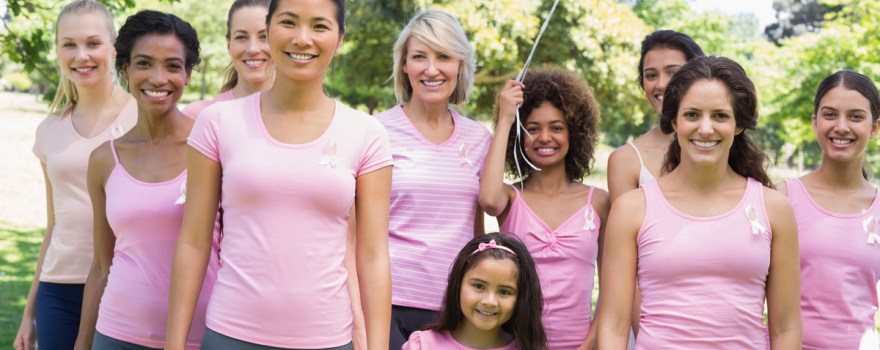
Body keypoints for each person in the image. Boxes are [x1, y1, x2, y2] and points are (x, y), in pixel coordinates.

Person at [166, 0, 393, 349]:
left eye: (319, 26)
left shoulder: (366, 132)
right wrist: (174, 344)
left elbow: (374, 256)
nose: (303, 39)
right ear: (270, 28)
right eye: (289, 22)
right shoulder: (218, 122)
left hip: (328, 339)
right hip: (230, 335)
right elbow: (194, 242)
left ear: (340, 38)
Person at [597, 56, 802, 349]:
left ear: (739, 125)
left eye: (720, 116)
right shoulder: (632, 209)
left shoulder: (775, 208)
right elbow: (614, 326)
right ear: (673, 121)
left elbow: (786, 327)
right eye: (692, 115)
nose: (705, 129)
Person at [69, 10, 215, 350]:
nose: (158, 78)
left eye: (173, 66)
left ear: (189, 74)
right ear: (125, 70)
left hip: (200, 336)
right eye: (144, 63)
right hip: (117, 332)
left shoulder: (212, 147)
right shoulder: (104, 159)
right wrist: (82, 342)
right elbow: (102, 266)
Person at [15, 1, 137, 349]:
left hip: (122, 284)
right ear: (57, 50)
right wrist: (30, 312)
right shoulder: (48, 131)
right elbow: (55, 226)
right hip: (58, 290)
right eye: (69, 44)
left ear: (114, 47)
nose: (81, 55)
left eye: (92, 43)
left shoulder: (141, 117)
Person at [374, 10, 491, 349]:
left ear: (460, 65)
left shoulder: (478, 138)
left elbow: (476, 229)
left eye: (443, 56)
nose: (431, 69)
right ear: (404, 66)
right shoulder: (376, 131)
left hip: (456, 309)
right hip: (389, 304)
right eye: (419, 57)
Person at [479, 68, 609, 349]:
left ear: (574, 133)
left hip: (579, 344)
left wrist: (590, 344)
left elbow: (612, 289)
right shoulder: (510, 198)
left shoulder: (598, 202)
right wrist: (504, 119)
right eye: (532, 128)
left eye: (556, 127)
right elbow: (488, 200)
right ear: (519, 133)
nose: (544, 137)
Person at [776, 70, 880, 349]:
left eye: (856, 116)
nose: (841, 126)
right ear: (815, 122)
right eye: (830, 114)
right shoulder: (781, 198)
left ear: (874, 128)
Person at [402, 233, 547, 350]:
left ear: (520, 298)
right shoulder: (422, 345)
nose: (489, 301)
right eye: (478, 286)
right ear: (458, 284)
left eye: (504, 292)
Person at [607, 30, 704, 201]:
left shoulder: (722, 146)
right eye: (651, 75)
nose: (661, 84)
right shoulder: (626, 160)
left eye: (673, 73)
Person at [182, 0, 273, 119]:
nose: (252, 49)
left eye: (264, 36)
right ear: (229, 45)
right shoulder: (198, 115)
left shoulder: (302, 113)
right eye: (241, 37)